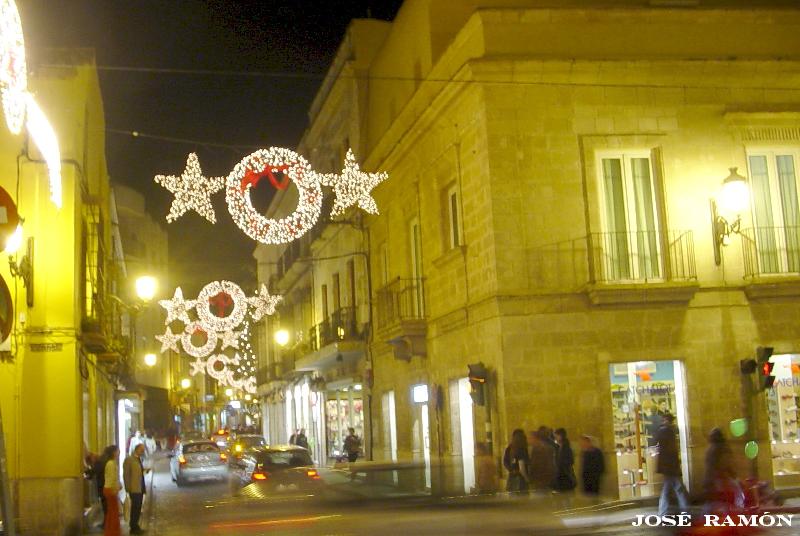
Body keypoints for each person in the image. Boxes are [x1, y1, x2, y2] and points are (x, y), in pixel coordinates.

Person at [655, 413, 690, 516]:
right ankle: (685, 512)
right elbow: (672, 451)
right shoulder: (671, 431)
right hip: (671, 466)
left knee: (667, 491)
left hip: (667, 467)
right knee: (678, 489)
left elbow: (656, 441)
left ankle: (663, 512)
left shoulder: (664, 431)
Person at [703, 428, 742, 513]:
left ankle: (705, 519)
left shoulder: (710, 449)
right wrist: (733, 475)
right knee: (732, 497)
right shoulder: (723, 448)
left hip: (710, 480)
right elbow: (726, 463)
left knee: (712, 502)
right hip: (721, 478)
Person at [123, 443, 149, 534]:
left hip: (140, 487)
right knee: (135, 507)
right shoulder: (129, 460)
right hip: (134, 488)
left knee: (138, 507)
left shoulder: (139, 459)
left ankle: (136, 525)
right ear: (136, 449)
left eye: (143, 450)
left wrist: (144, 470)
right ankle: (133, 527)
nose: (142, 451)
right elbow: (126, 475)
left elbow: (138, 472)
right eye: (141, 449)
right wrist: (127, 488)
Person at [102, 445, 122, 536]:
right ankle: (113, 532)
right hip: (110, 490)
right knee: (113, 512)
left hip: (110, 489)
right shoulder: (110, 463)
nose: (119, 452)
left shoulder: (112, 462)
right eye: (118, 451)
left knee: (112, 512)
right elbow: (110, 478)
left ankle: (111, 531)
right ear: (114, 452)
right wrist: (114, 489)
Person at [503, 429, 529, 493]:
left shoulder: (510, 448)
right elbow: (522, 466)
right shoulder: (522, 449)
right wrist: (527, 479)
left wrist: (511, 470)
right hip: (521, 479)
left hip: (511, 477)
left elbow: (505, 461)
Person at [553, 428, 577, 492]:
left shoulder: (567, 448)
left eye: (556, 436)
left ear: (561, 436)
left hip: (565, 477)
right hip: (561, 477)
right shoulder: (558, 447)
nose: (555, 438)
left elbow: (570, 461)